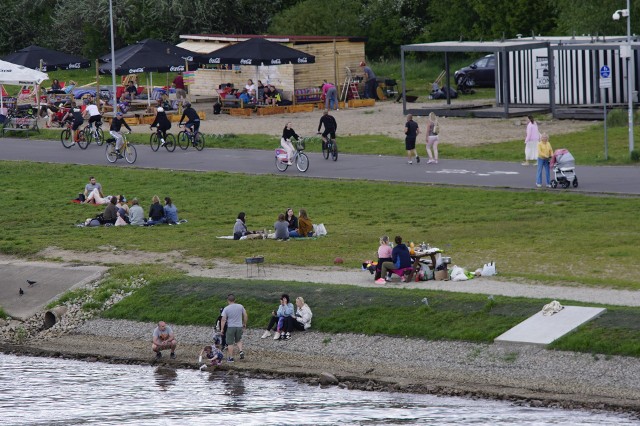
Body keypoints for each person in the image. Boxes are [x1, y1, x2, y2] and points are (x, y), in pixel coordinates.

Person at [220, 293, 247, 363]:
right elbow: (245, 315)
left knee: (230, 343)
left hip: (231, 327)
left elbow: (223, 319)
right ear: (235, 300)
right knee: (238, 340)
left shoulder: (226, 308)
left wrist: (222, 329)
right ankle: (241, 351)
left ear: (227, 300)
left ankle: (231, 358)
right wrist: (244, 324)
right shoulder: (240, 306)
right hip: (239, 326)